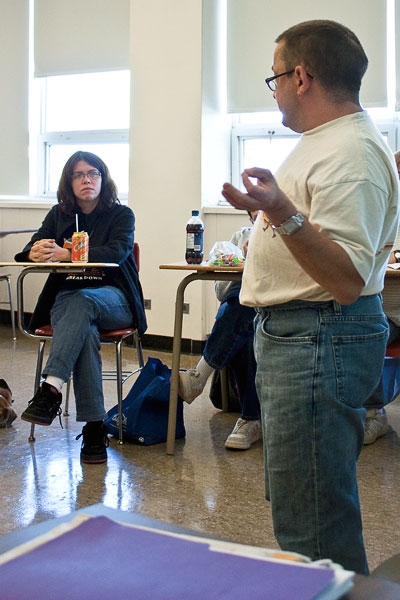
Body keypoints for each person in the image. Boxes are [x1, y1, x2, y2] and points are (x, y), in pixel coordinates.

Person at [221, 20, 399, 575]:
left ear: (302, 76)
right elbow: (316, 234)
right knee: (302, 502)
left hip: (320, 337)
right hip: (300, 336)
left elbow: (346, 277)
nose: (271, 89)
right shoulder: (325, 144)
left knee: (314, 519)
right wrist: (269, 213)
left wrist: (279, 212)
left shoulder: (353, 153)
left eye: (274, 77)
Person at [15, 151, 147, 464]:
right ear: (69, 182)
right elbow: (28, 250)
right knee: (84, 331)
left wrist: (68, 255)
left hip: (113, 298)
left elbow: (116, 252)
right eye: (78, 174)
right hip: (67, 300)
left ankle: (50, 389)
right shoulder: (58, 215)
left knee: (84, 302)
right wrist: (34, 252)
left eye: (93, 173)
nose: (86, 180)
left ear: (103, 178)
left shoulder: (121, 215)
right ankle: (94, 428)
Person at [178, 213, 261, 450]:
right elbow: (221, 291)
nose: (258, 217)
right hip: (244, 310)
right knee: (240, 315)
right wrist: (242, 261)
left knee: (242, 311)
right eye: (253, 214)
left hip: (276, 306)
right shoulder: (240, 236)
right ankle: (251, 419)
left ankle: (200, 376)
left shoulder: (288, 235)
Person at [364, 151, 400, 444]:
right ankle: (370, 412)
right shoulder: (380, 211)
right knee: (363, 329)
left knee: (372, 331)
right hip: (381, 309)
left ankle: (373, 412)